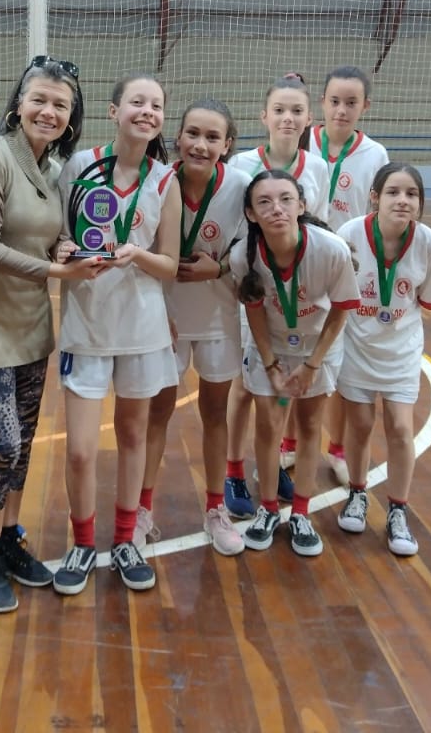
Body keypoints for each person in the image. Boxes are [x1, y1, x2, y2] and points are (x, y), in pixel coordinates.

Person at [0, 56, 107, 613]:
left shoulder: (54, 169)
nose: (49, 111)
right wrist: (60, 271)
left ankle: (8, 538)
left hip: (30, 327)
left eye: (61, 104)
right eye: (40, 99)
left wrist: (60, 248)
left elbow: (48, 236)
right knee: (0, 445)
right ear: (18, 103)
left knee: (23, 447)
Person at [53, 73, 182, 594]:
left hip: (143, 328)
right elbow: (60, 235)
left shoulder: (165, 180)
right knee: (81, 450)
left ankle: (125, 539)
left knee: (133, 437)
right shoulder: (80, 166)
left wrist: (138, 254)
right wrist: (63, 250)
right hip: (86, 324)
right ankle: (82, 543)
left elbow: (170, 264)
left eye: (156, 104)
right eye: (137, 102)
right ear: (114, 111)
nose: (146, 111)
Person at [231, 169, 360, 556]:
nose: (277, 209)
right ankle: (269, 509)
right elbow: (253, 311)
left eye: (286, 199)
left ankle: (301, 511)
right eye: (264, 202)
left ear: (302, 205)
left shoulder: (331, 249)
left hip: (317, 344)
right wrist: (271, 366)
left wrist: (311, 366)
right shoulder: (243, 256)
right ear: (251, 214)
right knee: (269, 424)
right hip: (269, 343)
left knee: (308, 424)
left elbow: (340, 311)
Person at [142, 99, 250, 557]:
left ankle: (214, 508)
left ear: (227, 145)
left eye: (212, 137)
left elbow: (252, 246)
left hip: (217, 318)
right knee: (157, 413)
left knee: (213, 413)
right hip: (164, 320)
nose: (200, 145)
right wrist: (153, 308)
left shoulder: (242, 187)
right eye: (192, 134)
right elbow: (140, 245)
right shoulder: (157, 182)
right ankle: (141, 508)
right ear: (177, 137)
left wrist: (220, 267)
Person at [224, 74, 331, 518]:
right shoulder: (241, 166)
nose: (288, 118)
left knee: (283, 386)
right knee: (247, 384)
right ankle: (233, 469)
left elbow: (315, 228)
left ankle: (271, 469)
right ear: (263, 116)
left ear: (309, 118)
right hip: (251, 285)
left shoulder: (318, 167)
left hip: (294, 291)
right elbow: (233, 230)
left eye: (297, 111)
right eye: (280, 110)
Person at [334, 162, 431, 557]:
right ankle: (358, 494)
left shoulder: (429, 243)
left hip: (400, 348)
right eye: (394, 192)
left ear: (420, 202)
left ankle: (398, 509)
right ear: (375, 197)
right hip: (357, 346)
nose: (403, 200)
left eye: (411, 194)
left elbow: (426, 300)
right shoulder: (348, 235)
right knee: (360, 424)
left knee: (400, 427)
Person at [304, 66, 390, 488]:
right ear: (322, 102)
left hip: (350, 273)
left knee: (340, 369)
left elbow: (378, 216)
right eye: (335, 101)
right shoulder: (302, 140)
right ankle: (288, 443)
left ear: (365, 107)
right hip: (302, 265)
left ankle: (336, 448)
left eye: (351, 103)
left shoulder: (375, 155)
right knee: (296, 355)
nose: (342, 110)